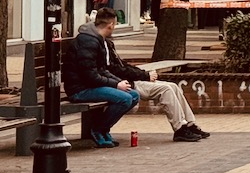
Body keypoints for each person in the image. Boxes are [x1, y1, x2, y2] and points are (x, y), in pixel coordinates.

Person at [63, 8, 212, 146]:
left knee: (167, 87)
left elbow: (107, 69)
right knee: (145, 93)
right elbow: (99, 72)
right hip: (83, 88)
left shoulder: (100, 41)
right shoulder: (91, 41)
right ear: (111, 25)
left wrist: (123, 80)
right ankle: (99, 129)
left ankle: (189, 124)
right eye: (115, 25)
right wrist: (124, 81)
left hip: (104, 82)